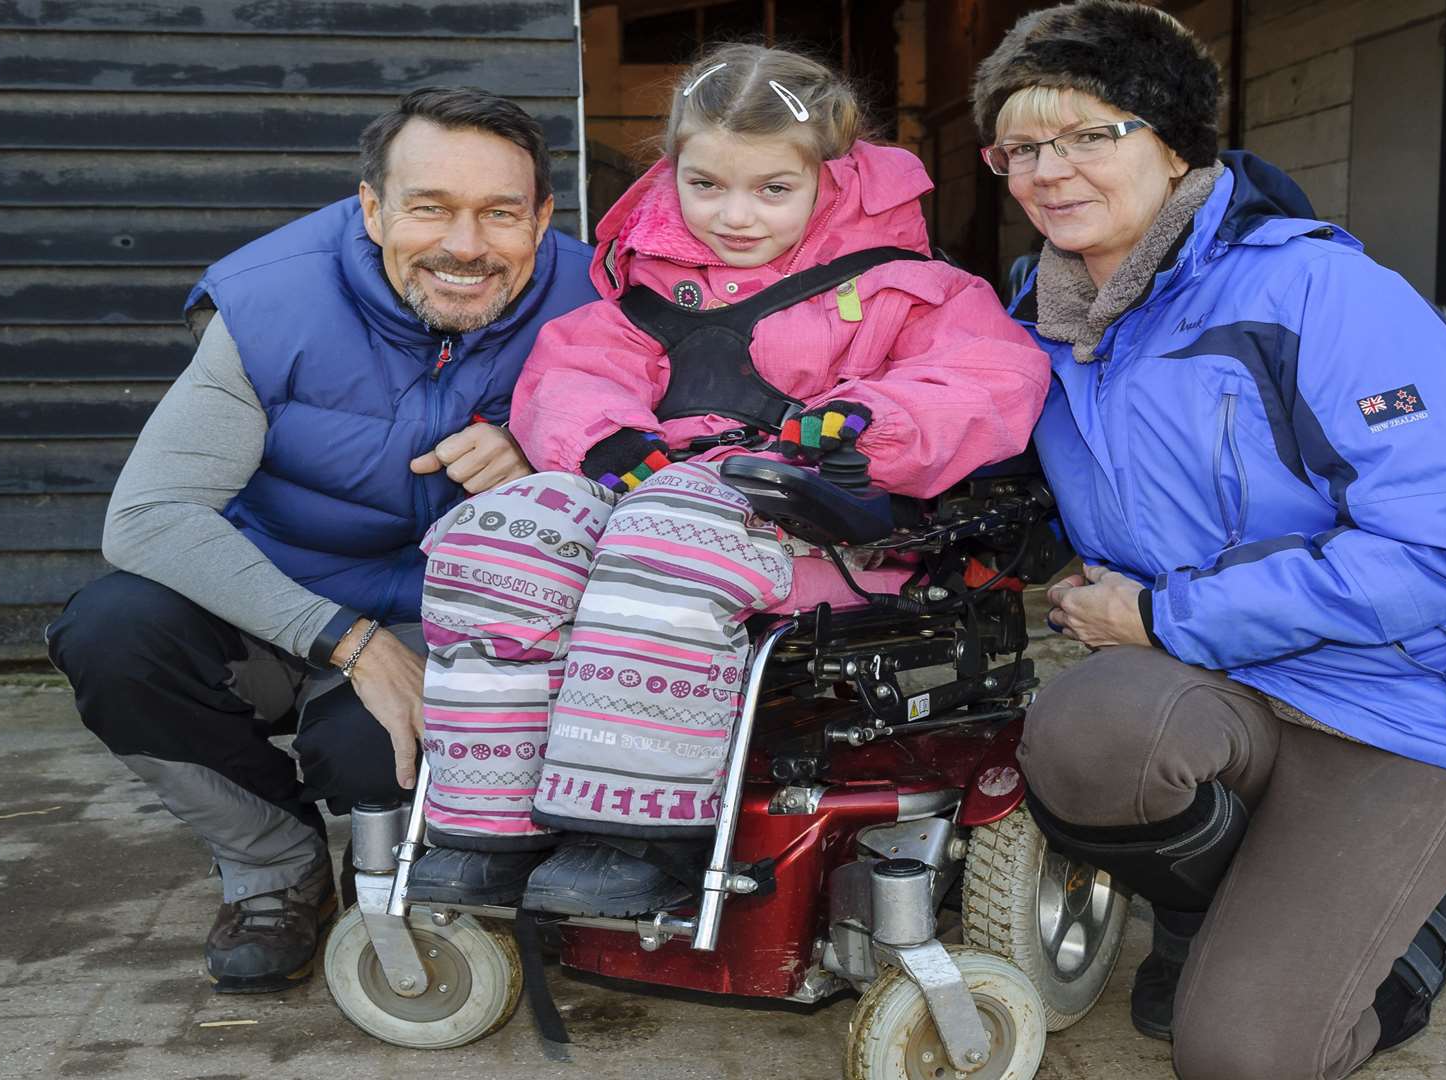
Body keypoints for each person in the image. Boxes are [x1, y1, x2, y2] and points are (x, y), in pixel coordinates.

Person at [970, 3, 1446, 1076]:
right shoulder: (1041, 319)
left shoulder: (1321, 292)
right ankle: (1231, 911)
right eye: (1020, 146)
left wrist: (1158, 613)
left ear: (1173, 140)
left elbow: (1442, 551)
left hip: (1388, 706)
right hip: (1213, 690)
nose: (1046, 170)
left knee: (1240, 1058)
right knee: (1086, 734)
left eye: (1087, 135)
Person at [400, 43, 1050, 916]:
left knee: (670, 531)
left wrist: (866, 426)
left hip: (836, 529)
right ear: (673, 171)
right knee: (506, 531)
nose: (734, 216)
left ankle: (639, 829)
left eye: (772, 189)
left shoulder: (909, 288)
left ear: (833, 173)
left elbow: (986, 381)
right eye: (705, 185)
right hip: (664, 503)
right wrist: (608, 442)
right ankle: (490, 824)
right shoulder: (648, 289)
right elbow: (571, 373)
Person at [44, 87, 598, 993]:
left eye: (499, 213)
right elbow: (146, 515)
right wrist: (347, 639)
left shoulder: (598, 300)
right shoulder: (270, 302)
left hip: (461, 623)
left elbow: (674, 470)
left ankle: (403, 853)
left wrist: (547, 450)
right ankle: (274, 863)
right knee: (113, 636)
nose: (465, 245)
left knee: (372, 752)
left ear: (541, 217)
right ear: (372, 207)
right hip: (281, 608)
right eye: (430, 208)